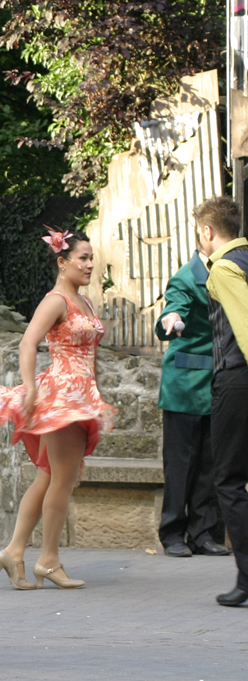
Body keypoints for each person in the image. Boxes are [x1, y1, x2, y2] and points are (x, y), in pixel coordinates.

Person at [0, 228, 116, 590]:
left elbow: (92, 354)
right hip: (62, 396)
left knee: (48, 476)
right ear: (62, 262)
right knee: (62, 479)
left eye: (92, 258)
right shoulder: (56, 300)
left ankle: (14, 551)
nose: (90, 264)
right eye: (83, 258)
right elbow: (28, 343)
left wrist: (97, 395)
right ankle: (48, 560)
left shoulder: (83, 302)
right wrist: (29, 387)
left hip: (80, 395)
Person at [154, 249, 229, 558]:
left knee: (211, 464)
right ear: (209, 234)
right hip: (184, 385)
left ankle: (204, 533)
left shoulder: (233, 272)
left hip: (219, 381)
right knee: (180, 464)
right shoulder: (186, 277)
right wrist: (171, 318)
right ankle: (172, 532)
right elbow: (173, 310)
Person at [193, 197, 248, 606]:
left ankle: (247, 579)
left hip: (237, 379)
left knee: (228, 480)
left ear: (208, 232)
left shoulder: (225, 268)